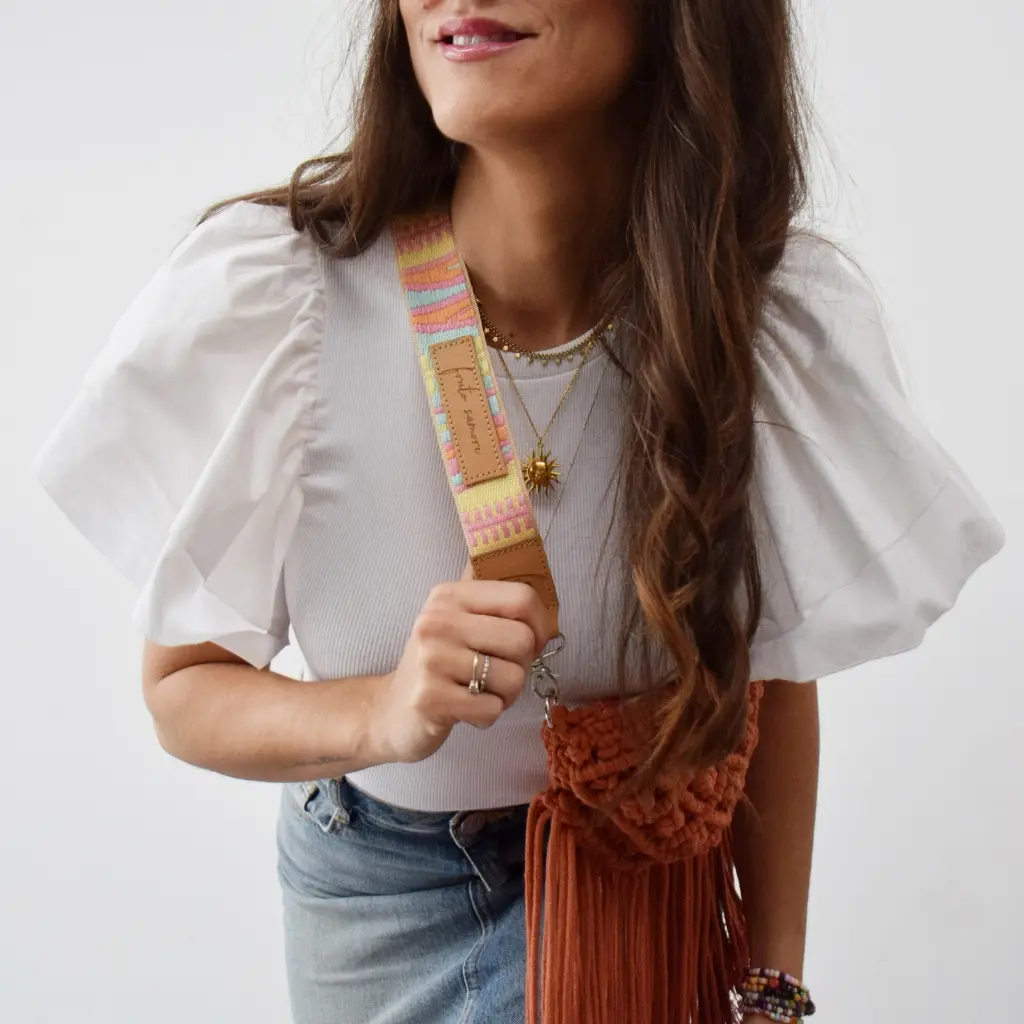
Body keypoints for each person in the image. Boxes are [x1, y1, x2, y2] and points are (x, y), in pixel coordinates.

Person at [33, 0, 1004, 1021]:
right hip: (377, 897)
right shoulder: (291, 299)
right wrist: (382, 710)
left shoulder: (748, 318)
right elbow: (182, 689)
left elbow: (764, 677)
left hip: (644, 884)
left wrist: (770, 983)